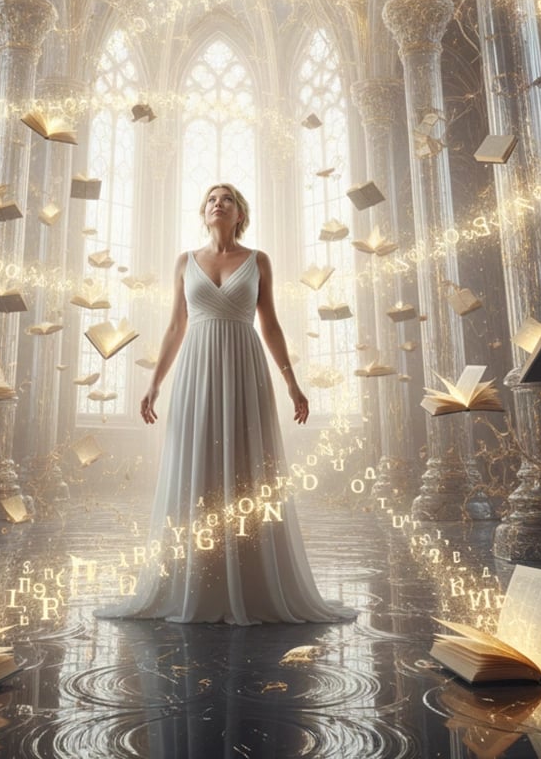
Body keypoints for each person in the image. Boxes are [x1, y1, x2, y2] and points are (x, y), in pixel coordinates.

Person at [96, 183, 356, 625]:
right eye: (212, 199)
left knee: (245, 467)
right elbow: (176, 327)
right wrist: (154, 384)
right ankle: (193, 581)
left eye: (228, 199)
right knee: (194, 463)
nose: (219, 203)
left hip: (244, 369)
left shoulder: (258, 261)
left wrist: (293, 384)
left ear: (240, 214)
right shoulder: (185, 262)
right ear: (204, 212)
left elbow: (270, 325)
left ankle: (253, 581)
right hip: (196, 369)